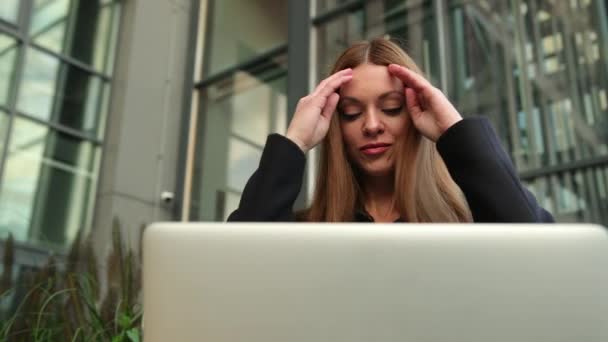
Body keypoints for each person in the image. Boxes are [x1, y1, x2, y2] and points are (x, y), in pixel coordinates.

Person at [228, 38, 554, 223]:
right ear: (336, 124)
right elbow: (235, 267)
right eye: (351, 113)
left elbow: (542, 256)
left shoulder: (469, 221)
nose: (371, 126)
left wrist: (455, 131)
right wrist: (295, 141)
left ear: (417, 113)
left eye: (392, 108)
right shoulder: (305, 228)